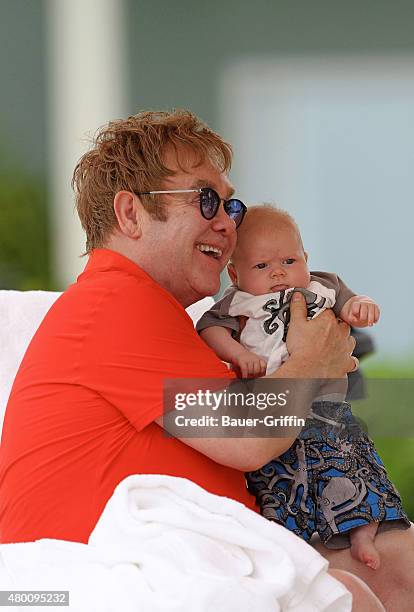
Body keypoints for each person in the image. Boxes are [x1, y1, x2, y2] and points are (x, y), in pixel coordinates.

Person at [0, 109, 407, 609]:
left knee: (395, 568)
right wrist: (311, 362)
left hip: (201, 557)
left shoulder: (173, 320)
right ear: (129, 214)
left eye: (231, 207)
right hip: (97, 576)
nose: (227, 225)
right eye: (207, 201)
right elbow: (247, 437)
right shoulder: (115, 302)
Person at [197, 204, 409, 571]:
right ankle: (292, 541)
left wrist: (362, 307)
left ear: (306, 257)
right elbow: (209, 329)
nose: (278, 272)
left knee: (350, 468)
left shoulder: (323, 284)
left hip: (328, 410)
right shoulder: (236, 303)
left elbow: (351, 302)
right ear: (235, 272)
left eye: (290, 260)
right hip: (276, 408)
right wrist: (237, 353)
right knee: (279, 483)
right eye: (261, 266)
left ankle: (362, 531)